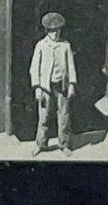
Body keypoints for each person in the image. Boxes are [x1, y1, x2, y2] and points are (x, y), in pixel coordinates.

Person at [29, 12, 77, 156]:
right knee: (44, 116)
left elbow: (71, 66)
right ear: (46, 31)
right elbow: (34, 68)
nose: (55, 34)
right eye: (51, 31)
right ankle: (41, 144)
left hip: (61, 86)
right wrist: (37, 87)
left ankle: (64, 144)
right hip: (45, 87)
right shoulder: (41, 45)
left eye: (57, 30)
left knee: (64, 115)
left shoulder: (65, 45)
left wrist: (72, 84)